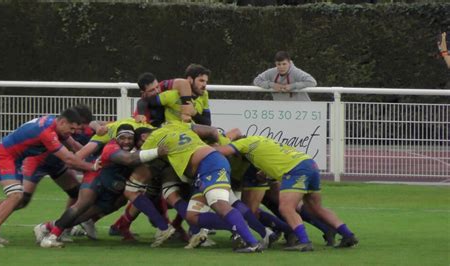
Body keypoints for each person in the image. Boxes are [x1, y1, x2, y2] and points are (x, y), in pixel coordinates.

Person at [0, 108, 99, 248]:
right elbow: (68, 159)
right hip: (4, 157)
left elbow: (74, 145)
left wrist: (94, 159)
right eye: (71, 128)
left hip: (15, 159)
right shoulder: (47, 132)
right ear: (63, 122)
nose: (73, 132)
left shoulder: (56, 124)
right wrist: (93, 167)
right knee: (17, 197)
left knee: (19, 198)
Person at [136, 122, 263, 253]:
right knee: (192, 216)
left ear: (144, 136)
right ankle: (238, 228)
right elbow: (213, 131)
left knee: (220, 205)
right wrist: (214, 145)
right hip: (207, 165)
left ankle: (252, 242)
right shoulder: (176, 125)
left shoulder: (151, 140)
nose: (140, 144)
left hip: (209, 165)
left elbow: (134, 158)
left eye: (138, 142)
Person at [215, 136, 358, 251]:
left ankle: (304, 241)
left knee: (286, 207)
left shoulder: (243, 143)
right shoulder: (263, 142)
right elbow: (274, 160)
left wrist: (199, 148)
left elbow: (221, 151)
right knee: (316, 208)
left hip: (295, 170)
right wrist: (265, 175)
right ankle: (348, 235)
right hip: (309, 164)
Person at [36, 124, 168, 248]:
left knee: (83, 217)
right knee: (81, 205)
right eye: (122, 138)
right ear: (116, 138)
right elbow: (128, 159)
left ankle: (46, 227)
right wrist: (157, 152)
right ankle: (51, 238)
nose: (126, 141)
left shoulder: (136, 148)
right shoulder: (111, 147)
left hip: (111, 188)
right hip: (95, 179)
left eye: (129, 138)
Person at [135, 64, 212, 125]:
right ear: (190, 80)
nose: (157, 91)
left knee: (215, 133)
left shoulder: (204, 94)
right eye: (201, 81)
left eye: (206, 81)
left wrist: (193, 113)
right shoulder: (172, 94)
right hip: (171, 132)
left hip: (194, 132)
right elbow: (143, 101)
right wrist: (186, 107)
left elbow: (208, 123)